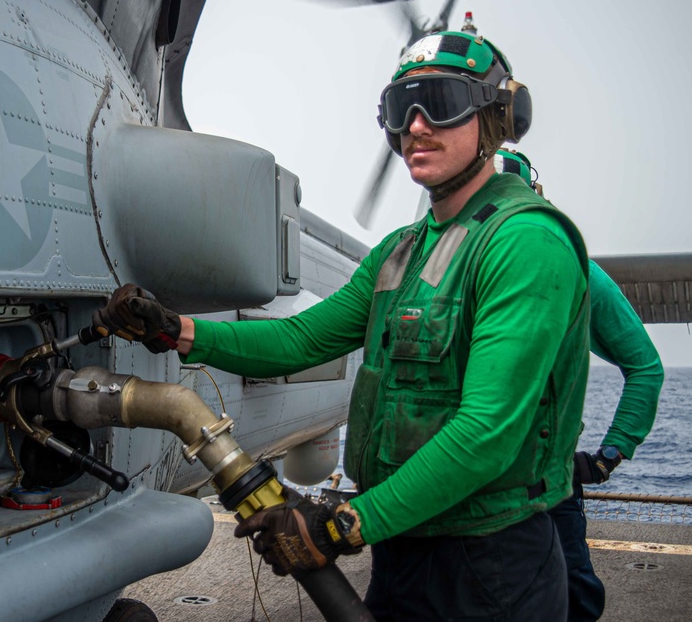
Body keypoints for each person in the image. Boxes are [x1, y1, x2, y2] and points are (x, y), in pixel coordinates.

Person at [93, 31, 590, 620]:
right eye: (402, 109)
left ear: (497, 117)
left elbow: (485, 433)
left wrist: (341, 527)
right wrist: (177, 332)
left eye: (442, 102)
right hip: (405, 549)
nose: (417, 127)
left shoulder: (526, 241)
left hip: (492, 564)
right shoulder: (401, 251)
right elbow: (301, 339)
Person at [494, 148, 664, 621]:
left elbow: (646, 368)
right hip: (460, 480)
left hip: (545, 478)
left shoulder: (576, 270)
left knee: (571, 596)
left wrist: (609, 456)